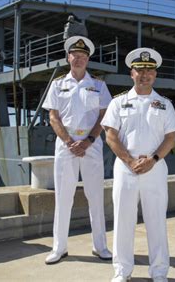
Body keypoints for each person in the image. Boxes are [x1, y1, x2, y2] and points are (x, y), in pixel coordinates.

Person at [101, 47, 175, 282]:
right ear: (131, 73)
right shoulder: (118, 103)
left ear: (155, 75)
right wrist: (129, 160)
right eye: (139, 70)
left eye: (149, 71)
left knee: (156, 222)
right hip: (126, 169)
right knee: (122, 221)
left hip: (155, 169)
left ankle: (159, 272)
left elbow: (170, 138)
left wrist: (153, 160)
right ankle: (121, 271)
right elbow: (110, 136)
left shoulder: (164, 104)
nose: (144, 75)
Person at [42, 35, 112, 264]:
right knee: (63, 198)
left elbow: (104, 116)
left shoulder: (99, 85)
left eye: (83, 55)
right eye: (75, 54)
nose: (78, 58)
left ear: (88, 59)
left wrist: (89, 140)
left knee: (95, 196)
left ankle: (100, 246)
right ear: (68, 57)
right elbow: (53, 116)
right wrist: (69, 141)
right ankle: (59, 248)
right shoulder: (57, 84)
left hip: (91, 145)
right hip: (65, 147)